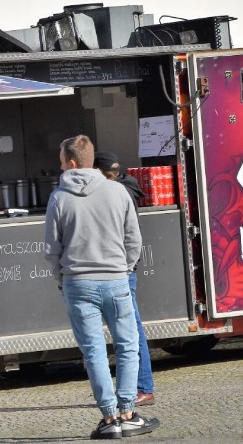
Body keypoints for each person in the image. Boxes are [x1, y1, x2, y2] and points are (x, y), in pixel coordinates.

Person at [44, 135, 159, 439]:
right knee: (128, 347)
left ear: (70, 163)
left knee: (93, 352)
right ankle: (129, 413)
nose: (59, 164)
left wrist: (63, 279)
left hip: (78, 284)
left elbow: (51, 250)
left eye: (60, 158)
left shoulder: (59, 197)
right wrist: (124, 268)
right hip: (116, 279)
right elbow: (134, 239)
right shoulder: (118, 192)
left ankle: (109, 418)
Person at [94, 151, 155, 407]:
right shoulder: (124, 188)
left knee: (131, 331)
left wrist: (127, 268)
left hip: (121, 272)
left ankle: (142, 387)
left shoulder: (118, 193)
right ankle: (136, 387)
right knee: (129, 330)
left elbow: (132, 237)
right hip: (123, 270)